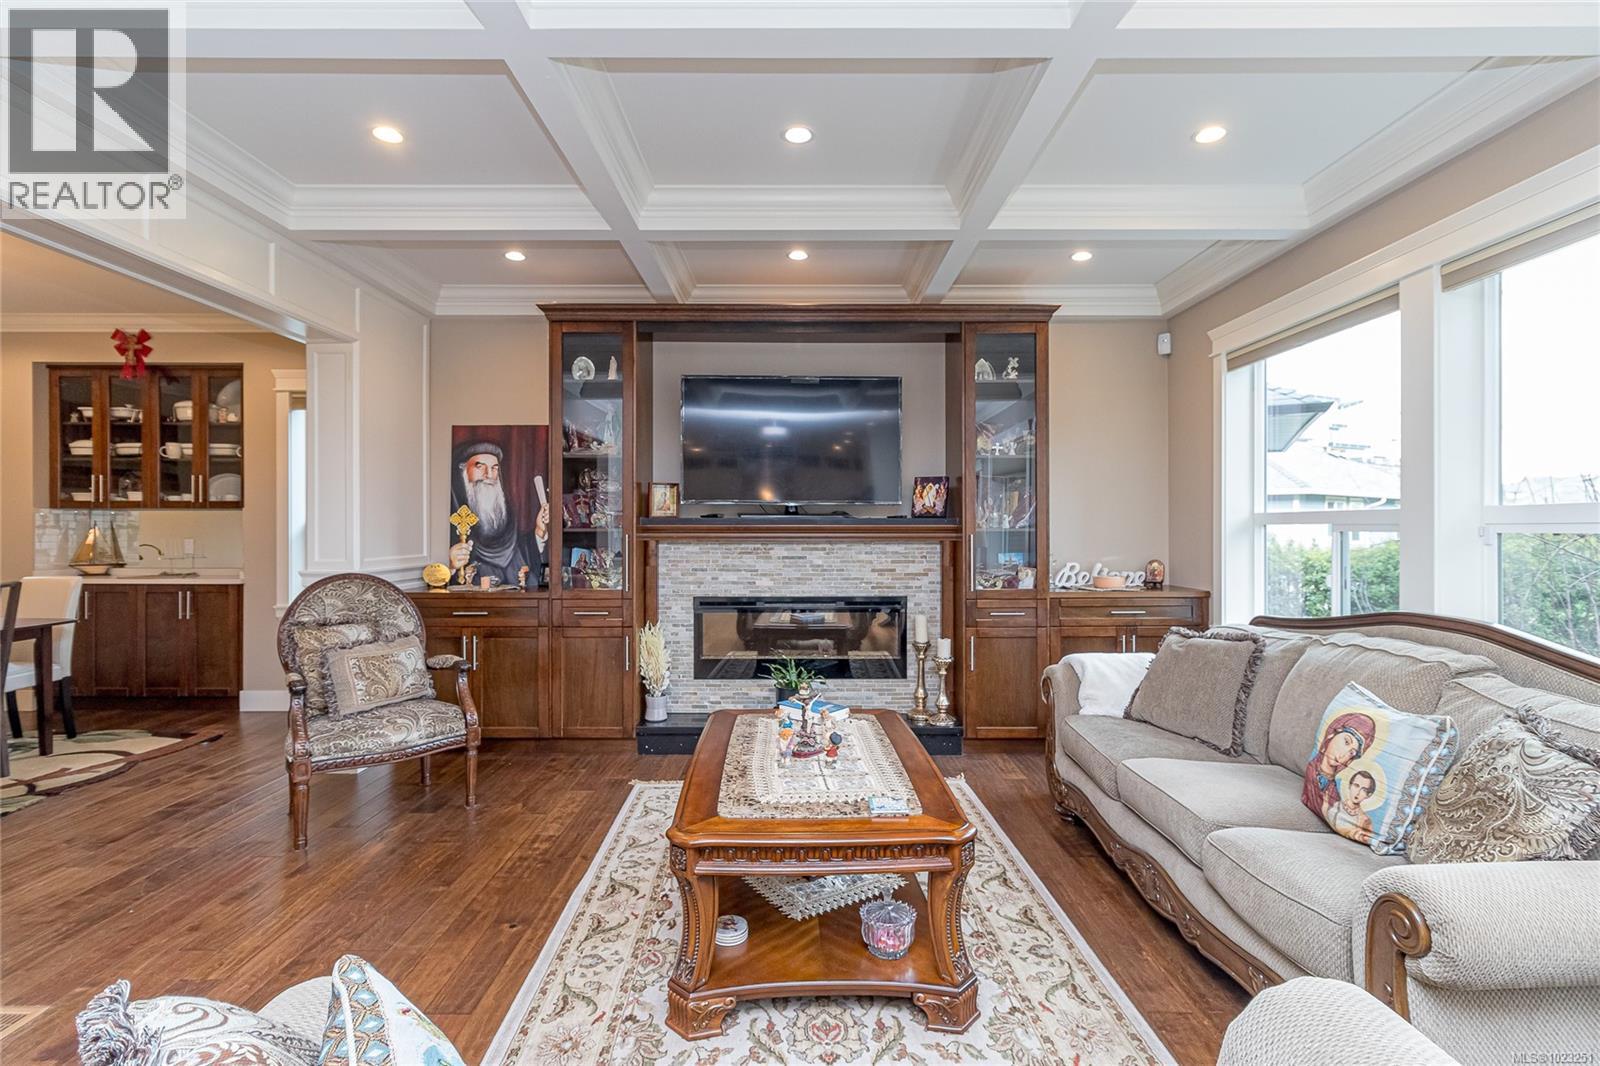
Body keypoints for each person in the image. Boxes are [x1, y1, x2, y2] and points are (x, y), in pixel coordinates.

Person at [448, 440, 548, 587]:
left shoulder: (505, 513)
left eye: (494, 468)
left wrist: (539, 532)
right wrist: (450, 566)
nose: (489, 475)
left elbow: (521, 552)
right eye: (480, 467)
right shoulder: (451, 512)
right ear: (463, 470)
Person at [1302, 711, 1377, 814]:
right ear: (1332, 735)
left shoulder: (1334, 794)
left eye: (1351, 753)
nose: (1343, 755)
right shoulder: (1311, 770)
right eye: (1346, 742)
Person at [1326, 769, 1378, 845]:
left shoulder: (1365, 820)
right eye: (1356, 786)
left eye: (1364, 790)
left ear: (1368, 795)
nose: (1358, 792)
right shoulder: (1336, 805)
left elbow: (1367, 839)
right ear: (1350, 786)